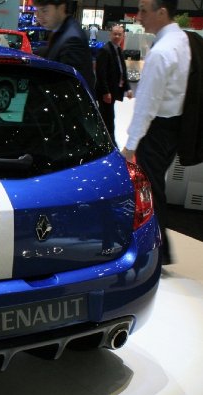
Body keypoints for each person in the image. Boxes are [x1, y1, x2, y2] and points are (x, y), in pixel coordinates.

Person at [122, 0, 190, 265]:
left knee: (150, 191)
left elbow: (147, 106)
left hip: (157, 130)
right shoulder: (182, 40)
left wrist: (130, 146)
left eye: (144, 10)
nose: (139, 17)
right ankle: (158, 249)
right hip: (174, 127)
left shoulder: (161, 51)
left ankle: (158, 251)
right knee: (155, 187)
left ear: (162, 12)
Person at [32, 0, 95, 91]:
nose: (38, 16)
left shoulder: (72, 40)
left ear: (61, 8)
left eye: (44, 10)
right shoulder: (61, 31)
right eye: (36, 10)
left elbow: (71, 88)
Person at [95, 25, 133, 145]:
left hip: (114, 91)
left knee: (109, 116)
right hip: (106, 93)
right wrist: (106, 92)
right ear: (110, 35)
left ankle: (106, 141)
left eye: (119, 34)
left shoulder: (118, 50)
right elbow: (101, 73)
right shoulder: (105, 50)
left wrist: (127, 88)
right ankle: (109, 143)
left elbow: (122, 71)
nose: (117, 36)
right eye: (115, 34)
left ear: (123, 36)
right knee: (108, 118)